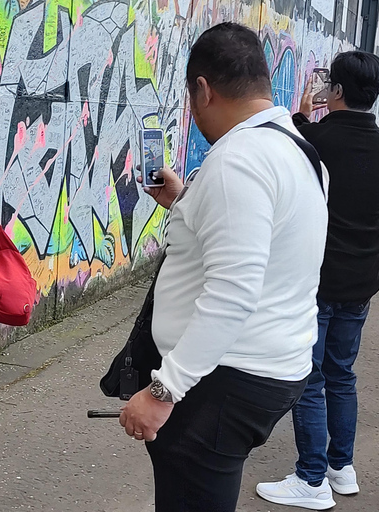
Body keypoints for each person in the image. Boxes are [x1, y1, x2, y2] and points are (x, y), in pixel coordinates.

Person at [119, 23, 328, 511]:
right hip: (269, 365)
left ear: (203, 89)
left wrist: (162, 390)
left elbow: (233, 291)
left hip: (222, 380)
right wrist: (185, 201)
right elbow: (268, 242)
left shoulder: (239, 159)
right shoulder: (299, 148)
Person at [256, 51, 379, 510]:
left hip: (318, 280)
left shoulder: (315, 138)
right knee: (342, 374)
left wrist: (304, 112)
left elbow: (290, 139)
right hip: (361, 284)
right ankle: (339, 468)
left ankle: (310, 480)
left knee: (310, 378)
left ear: (339, 92)